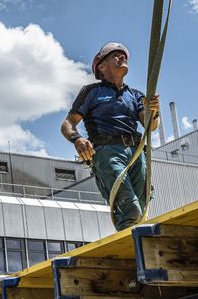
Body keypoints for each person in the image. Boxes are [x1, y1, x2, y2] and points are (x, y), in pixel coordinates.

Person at [61, 42, 160, 231]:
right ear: (102, 66)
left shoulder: (136, 95)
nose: (123, 57)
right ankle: (134, 253)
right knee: (129, 208)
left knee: (142, 205)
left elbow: (151, 126)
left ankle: (138, 249)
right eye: (116, 55)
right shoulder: (92, 92)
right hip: (108, 152)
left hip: (136, 151)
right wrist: (77, 139)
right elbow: (68, 123)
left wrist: (154, 111)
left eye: (124, 55)